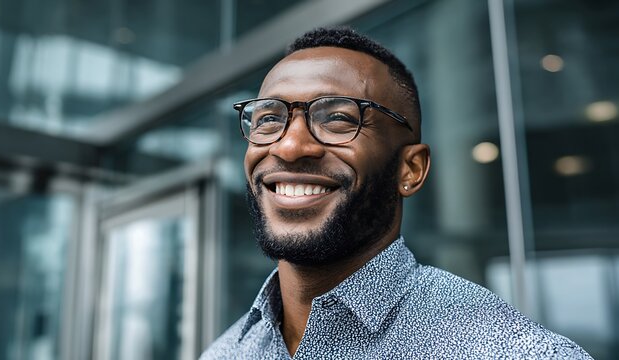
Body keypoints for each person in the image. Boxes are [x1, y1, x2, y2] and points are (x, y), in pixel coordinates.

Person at [200, 27, 592, 359]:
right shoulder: (225, 353)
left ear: (411, 169)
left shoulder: (507, 350)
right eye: (269, 118)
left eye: (338, 118)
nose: (290, 146)